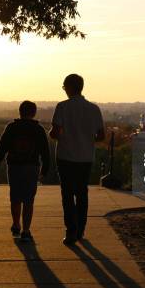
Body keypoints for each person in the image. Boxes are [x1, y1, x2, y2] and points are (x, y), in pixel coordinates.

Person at [50, 74, 105, 245]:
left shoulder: (62, 107)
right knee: (82, 193)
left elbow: (55, 133)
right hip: (85, 157)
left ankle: (71, 230)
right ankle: (80, 229)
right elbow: (101, 135)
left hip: (66, 156)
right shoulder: (94, 109)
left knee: (67, 194)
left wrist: (59, 136)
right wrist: (86, 141)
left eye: (64, 87)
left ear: (69, 87)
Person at [0, 100, 50, 242]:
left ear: (20, 111)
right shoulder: (38, 129)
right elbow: (45, 152)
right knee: (29, 200)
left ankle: (16, 224)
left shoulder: (11, 127)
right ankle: (26, 230)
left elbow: (1, 148)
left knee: (15, 197)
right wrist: (45, 169)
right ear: (34, 113)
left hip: (14, 166)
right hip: (31, 167)